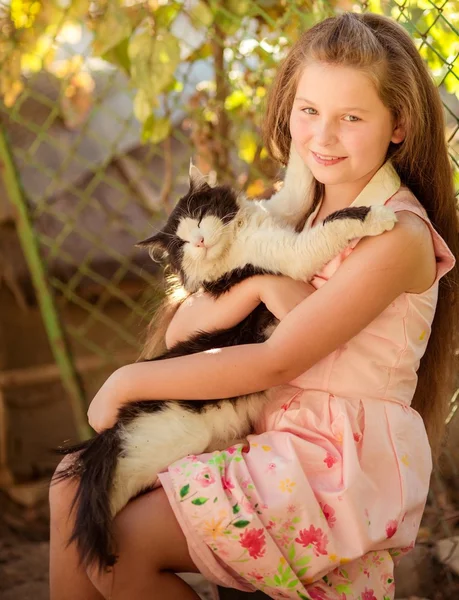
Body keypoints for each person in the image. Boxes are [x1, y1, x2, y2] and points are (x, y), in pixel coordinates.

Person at [49, 11, 458, 600]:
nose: (323, 136)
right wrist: (257, 288)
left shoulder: (396, 236)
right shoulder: (295, 215)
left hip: (332, 465)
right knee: (71, 484)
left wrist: (126, 381)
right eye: (309, 111)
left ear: (399, 124)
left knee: (120, 542)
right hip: (268, 431)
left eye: (351, 117)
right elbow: (184, 323)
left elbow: (276, 362)